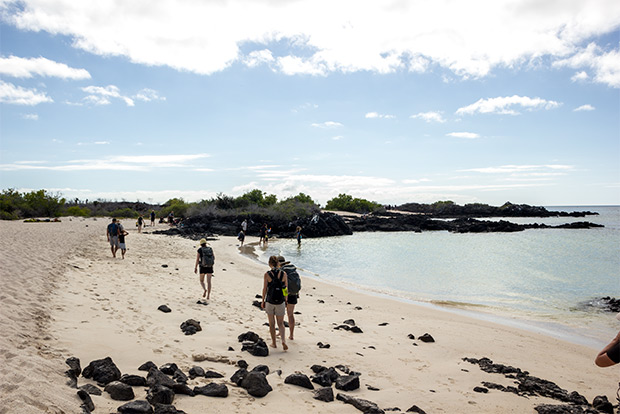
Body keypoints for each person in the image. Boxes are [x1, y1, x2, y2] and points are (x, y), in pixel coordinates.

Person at [261, 255, 288, 351]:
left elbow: (265, 289)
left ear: (269, 263)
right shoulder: (283, 274)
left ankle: (274, 343)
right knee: (281, 323)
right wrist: (286, 300)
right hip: (280, 301)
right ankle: (283, 341)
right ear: (278, 263)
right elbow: (285, 289)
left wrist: (263, 300)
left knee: (271, 324)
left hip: (270, 301)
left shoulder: (267, 274)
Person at [278, 255, 301, 340]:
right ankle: (291, 335)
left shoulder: (281, 271)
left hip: (284, 295)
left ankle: (281, 332)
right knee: (290, 314)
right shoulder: (293, 270)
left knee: (281, 314)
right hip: (294, 294)